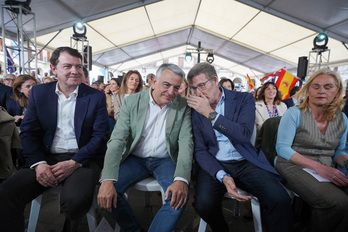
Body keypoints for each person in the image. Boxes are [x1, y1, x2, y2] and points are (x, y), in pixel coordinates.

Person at [0, 47, 109, 232]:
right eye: (67, 66)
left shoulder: (95, 96)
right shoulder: (39, 93)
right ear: (53, 69)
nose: (75, 71)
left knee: (74, 202)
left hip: (82, 158)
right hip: (46, 157)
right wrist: (39, 164)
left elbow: (100, 136)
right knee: (6, 192)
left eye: (78, 66)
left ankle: (69, 226)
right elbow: (28, 132)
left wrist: (74, 162)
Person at [186, 62, 292, 232]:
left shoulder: (243, 99)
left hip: (245, 160)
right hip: (216, 163)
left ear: (215, 80)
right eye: (194, 88)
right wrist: (222, 176)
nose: (198, 93)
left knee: (279, 199)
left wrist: (210, 114)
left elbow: (243, 134)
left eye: (201, 85)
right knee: (203, 204)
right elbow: (200, 150)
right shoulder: (195, 110)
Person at [97, 63, 193, 232]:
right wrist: (107, 179)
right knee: (106, 192)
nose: (171, 92)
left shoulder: (182, 105)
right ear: (154, 81)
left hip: (166, 160)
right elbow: (118, 138)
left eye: (176, 87)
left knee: (178, 196)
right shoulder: (133, 101)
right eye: (166, 84)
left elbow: (186, 142)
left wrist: (181, 179)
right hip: (135, 158)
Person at [276, 68, 348, 232]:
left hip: (326, 166)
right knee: (336, 203)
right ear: (307, 90)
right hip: (292, 164)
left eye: (328, 87)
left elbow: (339, 151)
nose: (321, 91)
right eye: (315, 86)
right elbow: (282, 148)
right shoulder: (294, 113)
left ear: (337, 92)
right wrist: (320, 168)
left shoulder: (342, 118)